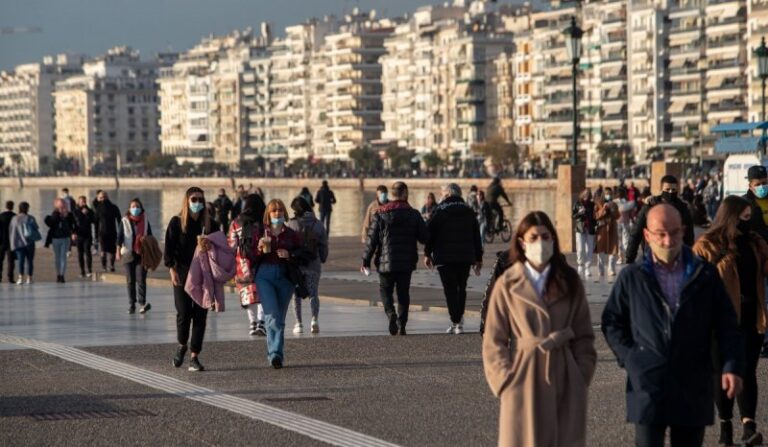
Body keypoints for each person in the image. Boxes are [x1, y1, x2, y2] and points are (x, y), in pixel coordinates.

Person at [602, 204, 745, 447]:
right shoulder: (633, 277)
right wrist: (632, 358)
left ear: (684, 232)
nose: (668, 241)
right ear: (647, 236)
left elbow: (727, 325)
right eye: (661, 233)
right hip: (648, 384)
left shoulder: (704, 275)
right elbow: (612, 321)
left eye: (675, 232)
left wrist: (731, 365)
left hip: (693, 383)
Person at [482, 211, 596, 447]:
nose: (540, 243)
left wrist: (580, 375)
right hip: (524, 377)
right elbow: (494, 340)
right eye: (533, 238)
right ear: (522, 243)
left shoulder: (570, 280)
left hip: (565, 376)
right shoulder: (508, 283)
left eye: (545, 236)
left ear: (553, 239)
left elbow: (584, 335)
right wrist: (504, 382)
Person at [693, 196, 768, 446]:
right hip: (718, 321)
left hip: (750, 317)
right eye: (744, 217)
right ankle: (726, 427)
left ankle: (749, 427)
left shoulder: (756, 243)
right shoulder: (707, 245)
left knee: (747, 371)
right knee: (721, 373)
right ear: (731, 217)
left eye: (751, 217)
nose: (748, 222)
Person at [164, 187, 221, 372]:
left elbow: (221, 247)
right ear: (187, 201)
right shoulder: (176, 222)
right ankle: (182, 345)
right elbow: (169, 249)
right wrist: (172, 270)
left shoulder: (210, 224)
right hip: (182, 272)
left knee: (200, 315)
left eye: (200, 199)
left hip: (204, 275)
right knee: (183, 313)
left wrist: (209, 245)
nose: (198, 203)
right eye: (194, 199)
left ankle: (194, 356)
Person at [362, 181, 428, 336]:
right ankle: (402, 324)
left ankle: (391, 313)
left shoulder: (380, 214)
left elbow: (372, 240)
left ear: (392, 194)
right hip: (406, 262)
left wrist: (366, 260)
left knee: (385, 290)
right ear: (404, 193)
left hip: (385, 262)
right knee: (403, 293)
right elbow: (425, 237)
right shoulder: (414, 214)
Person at [424, 183, 483, 335]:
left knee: (450, 290)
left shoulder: (439, 211)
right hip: (465, 256)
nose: (441, 195)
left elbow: (430, 234)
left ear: (448, 194)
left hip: (444, 257)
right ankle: (458, 322)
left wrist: (427, 254)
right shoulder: (469, 211)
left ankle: (456, 320)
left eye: (442, 193)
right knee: (461, 288)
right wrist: (478, 258)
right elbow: (477, 236)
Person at [252, 199, 303, 369]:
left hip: (285, 275)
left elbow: (301, 252)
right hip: (265, 275)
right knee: (272, 315)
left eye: (280, 210)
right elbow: (250, 256)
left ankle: (277, 354)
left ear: (285, 213)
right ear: (268, 213)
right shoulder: (260, 232)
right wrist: (259, 249)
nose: (277, 213)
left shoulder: (291, 234)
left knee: (279, 317)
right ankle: (274, 353)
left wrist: (289, 254)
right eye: (274, 210)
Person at [625, 175, 695, 264]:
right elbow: (636, 233)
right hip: (652, 258)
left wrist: (689, 258)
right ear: (661, 188)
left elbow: (689, 236)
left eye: (673, 190)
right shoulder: (650, 206)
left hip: (676, 258)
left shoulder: (683, 208)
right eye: (667, 189)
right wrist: (630, 258)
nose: (670, 192)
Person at [286, 196, 328, 334]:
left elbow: (287, 244)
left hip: (296, 264)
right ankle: (314, 320)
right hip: (313, 264)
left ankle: (298, 324)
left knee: (296, 295)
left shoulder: (292, 224)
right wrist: (322, 258)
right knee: (313, 294)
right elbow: (323, 245)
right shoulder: (318, 224)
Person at [228, 193, 267, 336]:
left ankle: (252, 323)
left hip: (242, 264)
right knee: (263, 293)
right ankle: (261, 322)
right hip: (261, 261)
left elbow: (232, 245)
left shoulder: (236, 222)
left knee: (246, 293)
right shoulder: (263, 222)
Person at [117, 198, 153, 314]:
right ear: (129, 209)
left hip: (142, 254)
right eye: (133, 206)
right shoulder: (124, 221)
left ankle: (142, 303)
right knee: (130, 280)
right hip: (128, 253)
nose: (135, 208)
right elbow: (119, 237)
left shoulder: (145, 220)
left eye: (137, 206)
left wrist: (147, 241)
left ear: (141, 208)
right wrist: (117, 251)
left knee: (141, 279)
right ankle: (131, 304)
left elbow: (150, 236)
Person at [44, 198, 76, 283]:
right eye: (60, 206)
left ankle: (62, 275)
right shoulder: (55, 214)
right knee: (57, 258)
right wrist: (57, 215)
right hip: (55, 238)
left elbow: (74, 224)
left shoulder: (69, 215)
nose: (62, 207)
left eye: (63, 205)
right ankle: (58, 274)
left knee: (63, 257)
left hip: (65, 238)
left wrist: (73, 233)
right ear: (56, 206)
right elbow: (50, 223)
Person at [9, 202, 38, 284]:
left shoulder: (15, 218)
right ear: (27, 208)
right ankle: (29, 278)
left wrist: (12, 244)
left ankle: (20, 277)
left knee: (21, 261)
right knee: (30, 261)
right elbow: (36, 228)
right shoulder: (31, 218)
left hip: (19, 243)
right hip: (30, 242)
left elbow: (12, 232)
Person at [594, 188, 620, 276]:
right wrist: (603, 209)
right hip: (602, 228)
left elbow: (617, 216)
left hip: (612, 227)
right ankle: (600, 268)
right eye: (606, 193)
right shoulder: (598, 204)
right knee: (600, 248)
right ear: (603, 194)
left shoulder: (614, 204)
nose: (608, 195)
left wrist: (612, 210)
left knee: (613, 248)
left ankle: (611, 268)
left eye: (609, 193)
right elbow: (596, 216)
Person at [94, 190, 121, 272]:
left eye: (102, 197)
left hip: (104, 232)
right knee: (109, 250)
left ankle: (105, 266)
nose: (102, 199)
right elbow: (119, 220)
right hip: (110, 231)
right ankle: (111, 266)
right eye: (101, 197)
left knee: (104, 250)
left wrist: (95, 235)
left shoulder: (99, 208)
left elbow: (96, 223)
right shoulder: (114, 207)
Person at [572, 188, 596, 277]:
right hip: (580, 229)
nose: (586, 195)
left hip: (590, 229)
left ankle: (587, 268)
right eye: (585, 194)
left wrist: (596, 226)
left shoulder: (592, 204)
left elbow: (595, 217)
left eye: (588, 194)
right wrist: (579, 213)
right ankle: (580, 265)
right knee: (580, 249)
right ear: (582, 194)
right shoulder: (577, 204)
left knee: (589, 250)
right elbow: (573, 216)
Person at [742, 165, 768, 242]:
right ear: (750, 186)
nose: (762, 187)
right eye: (757, 185)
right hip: (757, 246)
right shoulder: (743, 203)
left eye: (764, 183)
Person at [73, 196, 95, 278]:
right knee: (80, 253)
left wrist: (87, 213)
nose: (83, 203)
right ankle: (82, 271)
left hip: (87, 235)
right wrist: (73, 233)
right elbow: (74, 223)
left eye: (84, 201)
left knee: (88, 252)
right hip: (79, 235)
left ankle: (89, 270)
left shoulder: (89, 211)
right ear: (78, 202)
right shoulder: (75, 211)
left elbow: (93, 220)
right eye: (81, 201)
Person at [615, 188, 636, 264]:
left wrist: (633, 221)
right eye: (618, 193)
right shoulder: (615, 202)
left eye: (620, 193)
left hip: (625, 224)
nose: (619, 195)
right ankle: (620, 257)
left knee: (626, 241)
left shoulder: (627, 203)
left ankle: (627, 257)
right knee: (619, 242)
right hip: (617, 224)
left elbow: (631, 214)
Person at [0, 201, 15, 283]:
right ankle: (10, 278)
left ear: (6, 206)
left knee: (0, 260)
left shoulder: (1, 216)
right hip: (11, 241)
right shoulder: (15, 216)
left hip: (1, 241)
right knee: (11, 261)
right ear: (12, 207)